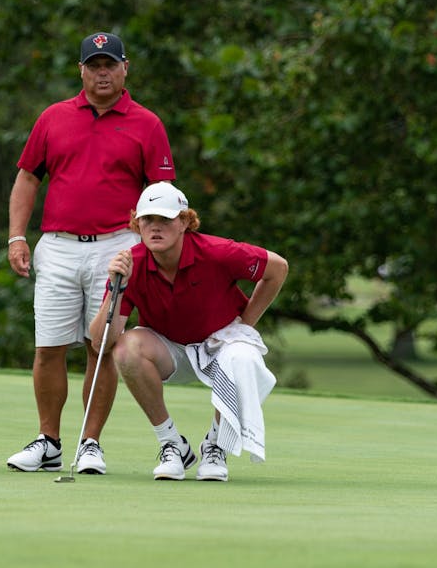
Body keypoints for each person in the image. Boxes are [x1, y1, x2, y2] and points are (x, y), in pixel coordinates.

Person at [6, 31, 176, 475]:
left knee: (100, 346)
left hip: (118, 247)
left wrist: (156, 250)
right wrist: (16, 236)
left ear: (125, 69)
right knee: (48, 347)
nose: (103, 73)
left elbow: (161, 195)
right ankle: (49, 441)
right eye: (94, 65)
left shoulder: (146, 123)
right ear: (81, 70)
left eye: (110, 65)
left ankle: (89, 442)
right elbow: (28, 178)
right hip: (58, 246)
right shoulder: (54, 118)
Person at [90, 182, 288, 481]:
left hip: (221, 344)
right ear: (137, 224)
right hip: (169, 351)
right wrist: (117, 287)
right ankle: (171, 444)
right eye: (148, 220)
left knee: (243, 356)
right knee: (126, 349)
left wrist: (245, 326)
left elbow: (278, 268)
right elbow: (101, 344)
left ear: (184, 222)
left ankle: (215, 447)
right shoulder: (131, 264)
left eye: (165, 220)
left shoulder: (217, 252)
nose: (155, 228)